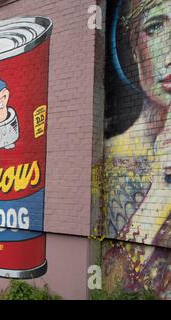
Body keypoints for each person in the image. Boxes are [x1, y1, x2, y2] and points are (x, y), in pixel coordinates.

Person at [104, 0, 170, 298]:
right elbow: (115, 279)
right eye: (155, 27)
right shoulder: (114, 157)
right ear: (133, 50)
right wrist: (163, 184)